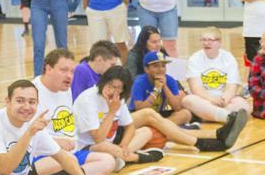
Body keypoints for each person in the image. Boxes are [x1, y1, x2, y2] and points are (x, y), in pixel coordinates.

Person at [74, 66, 246, 167]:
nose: (114, 92)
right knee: (152, 122)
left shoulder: (120, 96)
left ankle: (122, 157)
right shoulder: (88, 100)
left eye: (119, 89)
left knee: (151, 128)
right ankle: (134, 157)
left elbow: (128, 125)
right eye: (111, 87)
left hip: (114, 139)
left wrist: (125, 144)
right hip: (95, 144)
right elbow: (98, 139)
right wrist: (112, 112)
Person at [34, 48, 115, 175]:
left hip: (72, 153)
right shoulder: (32, 93)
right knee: (65, 161)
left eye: (72, 71)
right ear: (48, 69)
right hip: (45, 156)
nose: (69, 76)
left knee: (108, 162)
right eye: (64, 70)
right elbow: (25, 136)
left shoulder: (65, 89)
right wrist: (55, 142)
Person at [184, 27, 252, 123]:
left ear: (219, 42)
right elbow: (196, 88)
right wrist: (211, 99)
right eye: (204, 40)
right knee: (187, 100)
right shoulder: (194, 59)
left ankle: (209, 115)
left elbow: (232, 87)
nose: (206, 43)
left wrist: (224, 100)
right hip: (203, 99)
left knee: (245, 106)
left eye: (210, 40)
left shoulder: (228, 58)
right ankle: (227, 117)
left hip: (223, 101)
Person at [130, 52, 191, 127]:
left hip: (159, 115)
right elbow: (139, 109)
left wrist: (164, 86)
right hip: (141, 116)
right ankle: (164, 128)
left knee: (186, 113)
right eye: (156, 66)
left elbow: (177, 107)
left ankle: (159, 128)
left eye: (163, 66)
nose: (161, 69)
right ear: (146, 69)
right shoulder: (139, 83)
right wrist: (156, 90)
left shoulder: (170, 80)